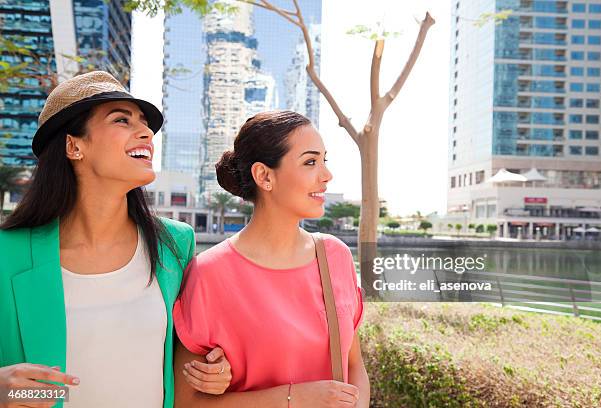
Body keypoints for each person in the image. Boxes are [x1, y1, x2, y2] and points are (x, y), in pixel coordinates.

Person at [0, 71, 231, 408]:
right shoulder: (9, 254)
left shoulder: (175, 244)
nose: (146, 132)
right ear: (73, 145)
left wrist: (213, 373)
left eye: (145, 124)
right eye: (121, 120)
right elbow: (35, 391)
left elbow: (185, 360)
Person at [173, 111, 370, 407]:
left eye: (324, 161)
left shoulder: (335, 257)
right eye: (310, 162)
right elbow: (188, 402)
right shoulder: (210, 273)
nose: (326, 175)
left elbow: (354, 367)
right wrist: (294, 397)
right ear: (264, 176)